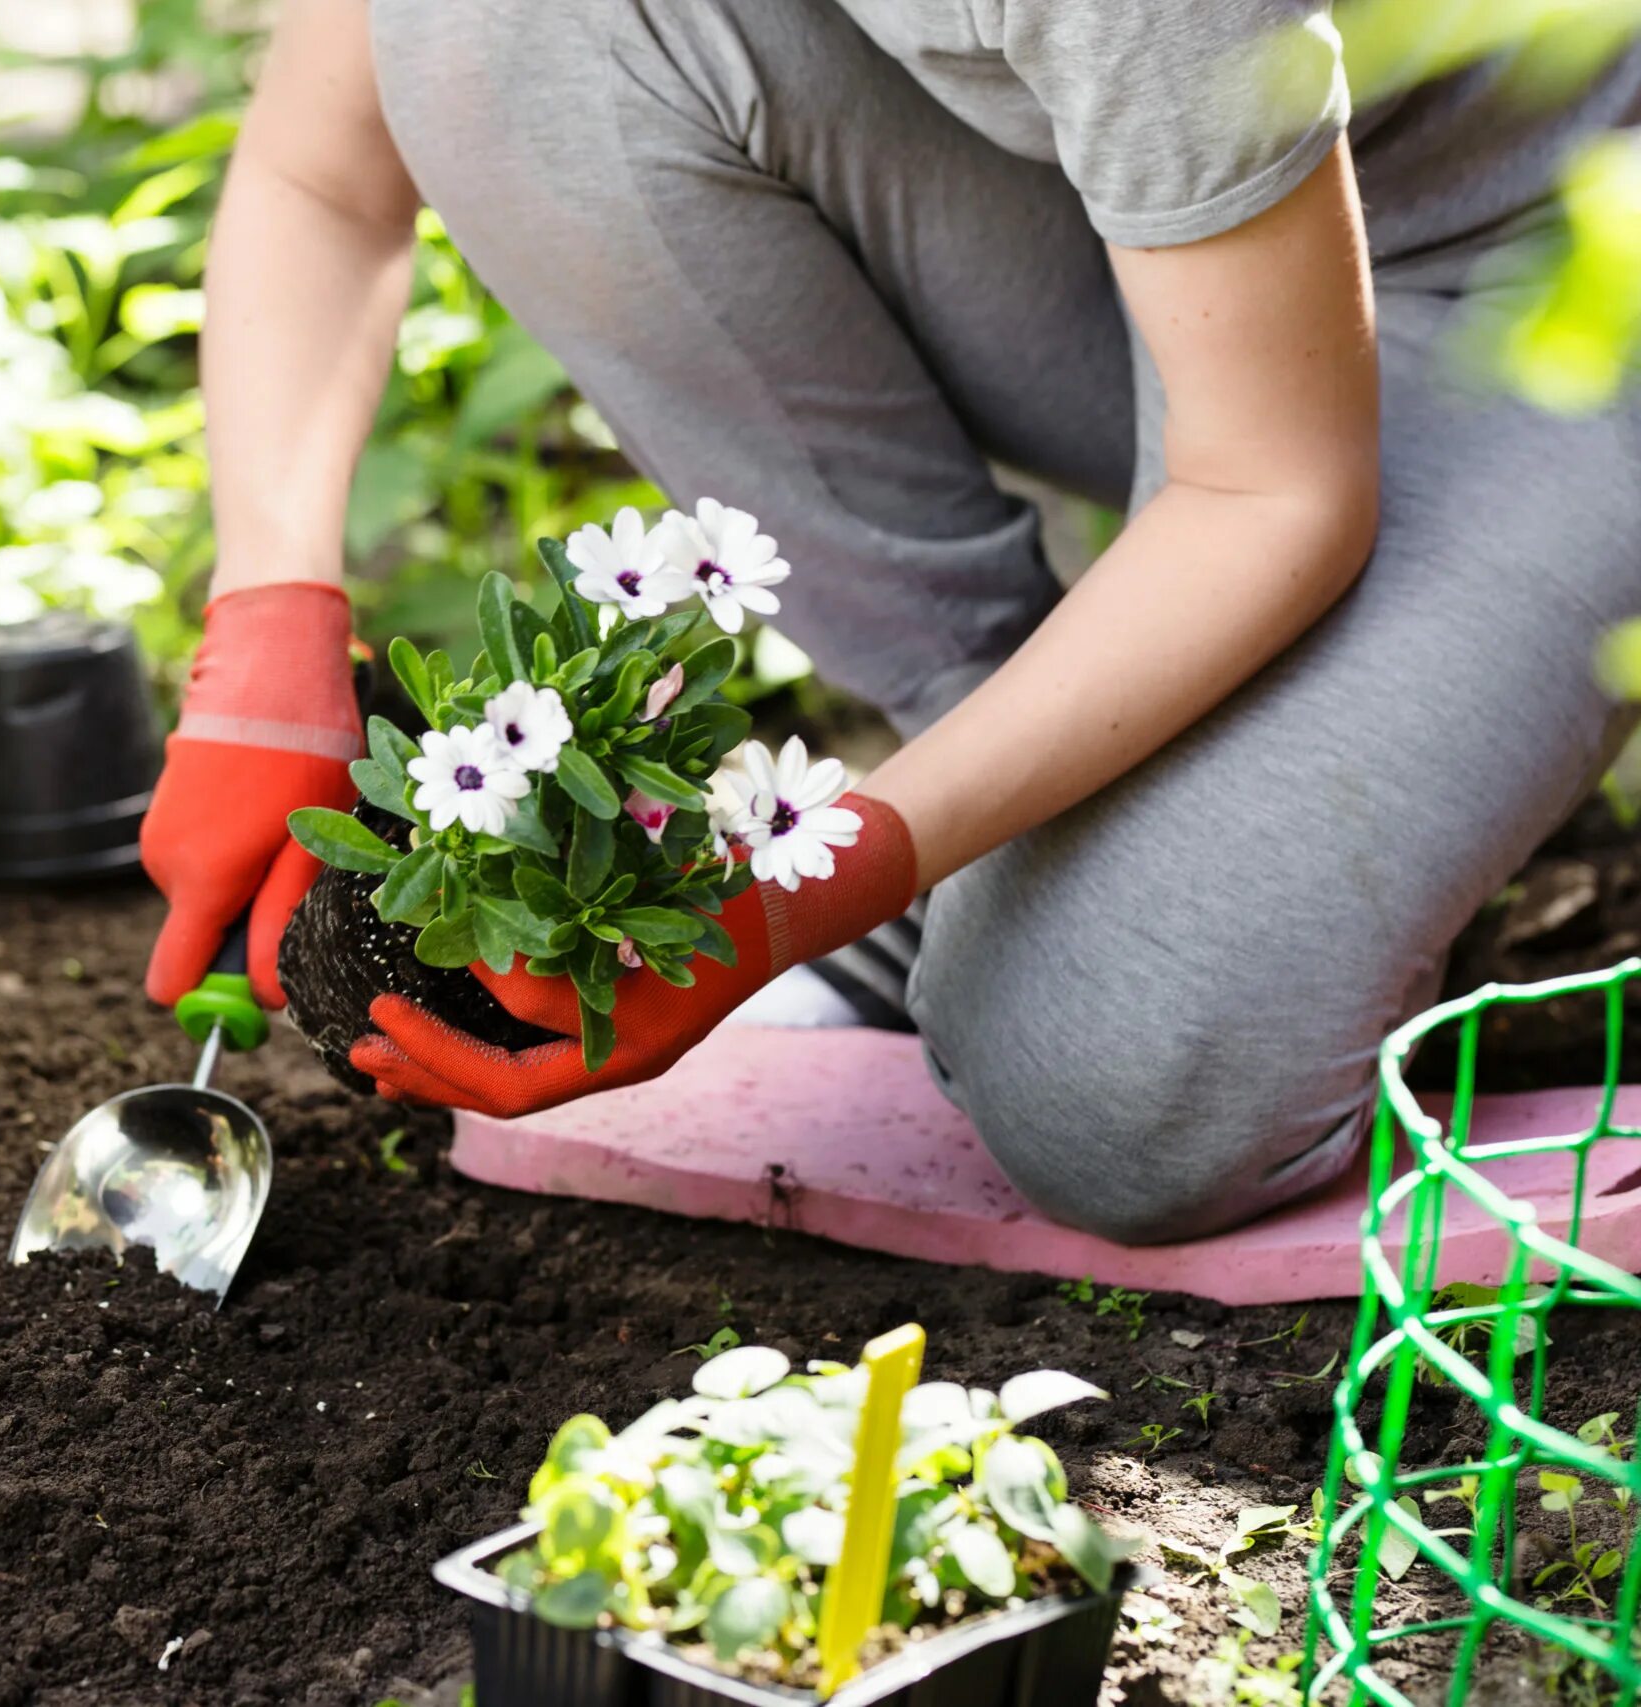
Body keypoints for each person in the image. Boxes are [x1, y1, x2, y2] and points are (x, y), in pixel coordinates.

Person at [136, 0, 1641, 1245]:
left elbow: (1270, 491)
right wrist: (265, 632)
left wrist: (790, 899)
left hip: (1551, 261)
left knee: (1110, 1096)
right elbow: (327, 170)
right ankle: (1025, 825)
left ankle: (1184, 870)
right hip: (1164, 237)